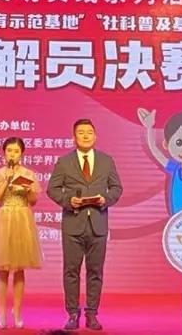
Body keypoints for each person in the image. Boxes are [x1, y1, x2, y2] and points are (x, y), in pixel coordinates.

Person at [47, 119, 123, 331]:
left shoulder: (106, 161)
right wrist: (68, 201)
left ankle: (92, 314)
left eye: (89, 132)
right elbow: (52, 189)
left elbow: (117, 188)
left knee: (95, 271)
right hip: (73, 224)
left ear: (95, 136)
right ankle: (72, 314)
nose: (86, 135)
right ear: (74, 137)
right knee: (71, 271)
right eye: (81, 132)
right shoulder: (64, 162)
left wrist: (105, 199)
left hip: (98, 224)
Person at [0, 136, 44, 329]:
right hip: (3, 219)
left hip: (22, 219)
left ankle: (17, 312)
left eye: (16, 151)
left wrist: (29, 190)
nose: (12, 154)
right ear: (4, 153)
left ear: (22, 153)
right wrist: (6, 180)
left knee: (20, 269)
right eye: (9, 151)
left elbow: (33, 201)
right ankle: (1, 313)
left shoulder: (29, 174)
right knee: (3, 270)